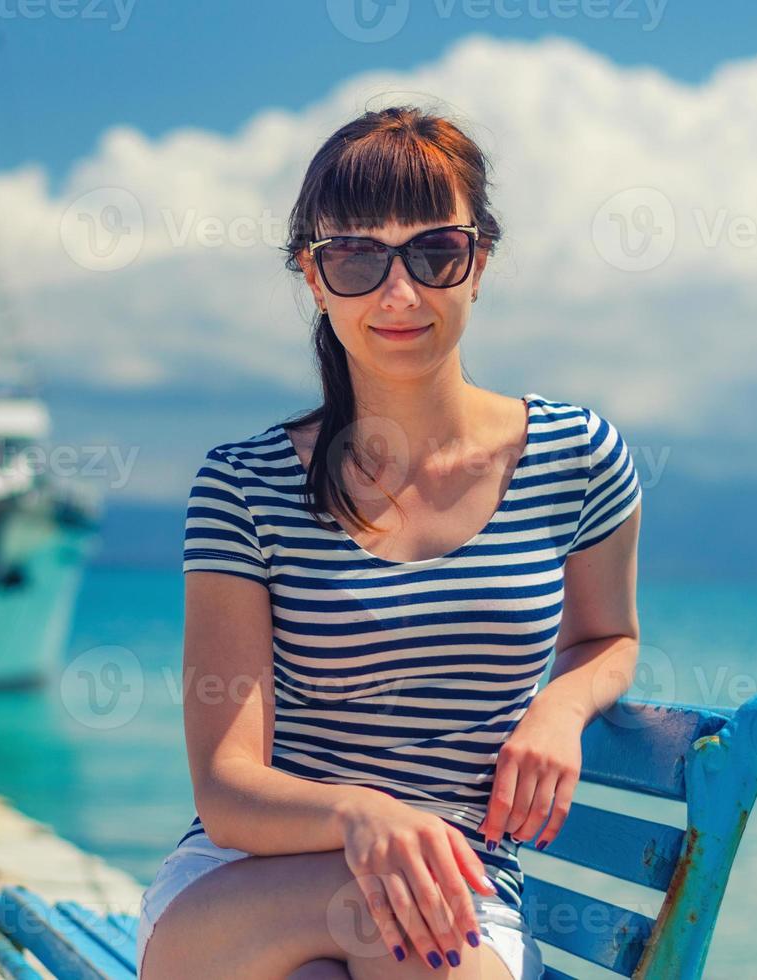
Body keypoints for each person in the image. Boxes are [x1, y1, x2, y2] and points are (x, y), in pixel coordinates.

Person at [137, 106, 643, 979]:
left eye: (434, 253)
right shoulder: (245, 487)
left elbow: (610, 636)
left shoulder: (577, 458)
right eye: (358, 258)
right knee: (377, 921)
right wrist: (362, 816)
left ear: (478, 262)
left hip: (465, 892)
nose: (398, 293)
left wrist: (562, 708)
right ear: (314, 275)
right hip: (247, 886)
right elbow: (226, 789)